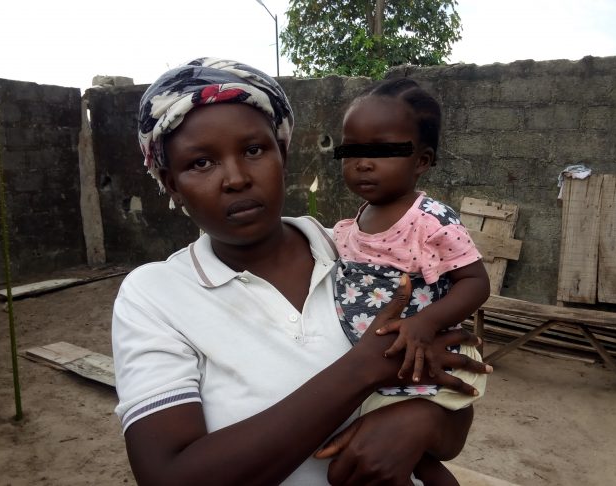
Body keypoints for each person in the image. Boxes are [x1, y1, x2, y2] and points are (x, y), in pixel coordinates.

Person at [112, 57, 491, 485]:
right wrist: (364, 368)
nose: (236, 179)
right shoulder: (155, 297)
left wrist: (419, 422)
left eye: (253, 150)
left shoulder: (363, 255)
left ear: (283, 154)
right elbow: (167, 476)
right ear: (171, 184)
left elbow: (455, 417)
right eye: (200, 163)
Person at [332, 78, 491, 415]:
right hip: (368, 366)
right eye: (352, 150)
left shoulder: (431, 221)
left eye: (382, 151)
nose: (363, 163)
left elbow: (476, 282)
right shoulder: (353, 223)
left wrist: (426, 322)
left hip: (418, 363)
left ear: (421, 161)